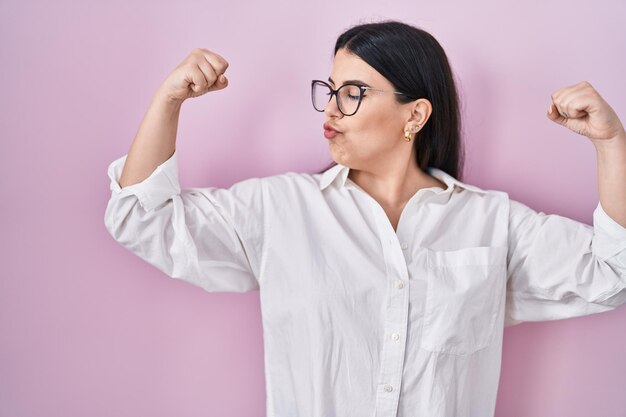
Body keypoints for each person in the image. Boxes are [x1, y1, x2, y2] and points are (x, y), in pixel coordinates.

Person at [104, 19, 626, 417]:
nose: (330, 110)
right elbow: (141, 219)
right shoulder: (281, 210)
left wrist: (610, 142)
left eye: (353, 94)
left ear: (414, 115)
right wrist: (168, 100)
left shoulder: (493, 223)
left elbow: (613, 272)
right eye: (330, 90)